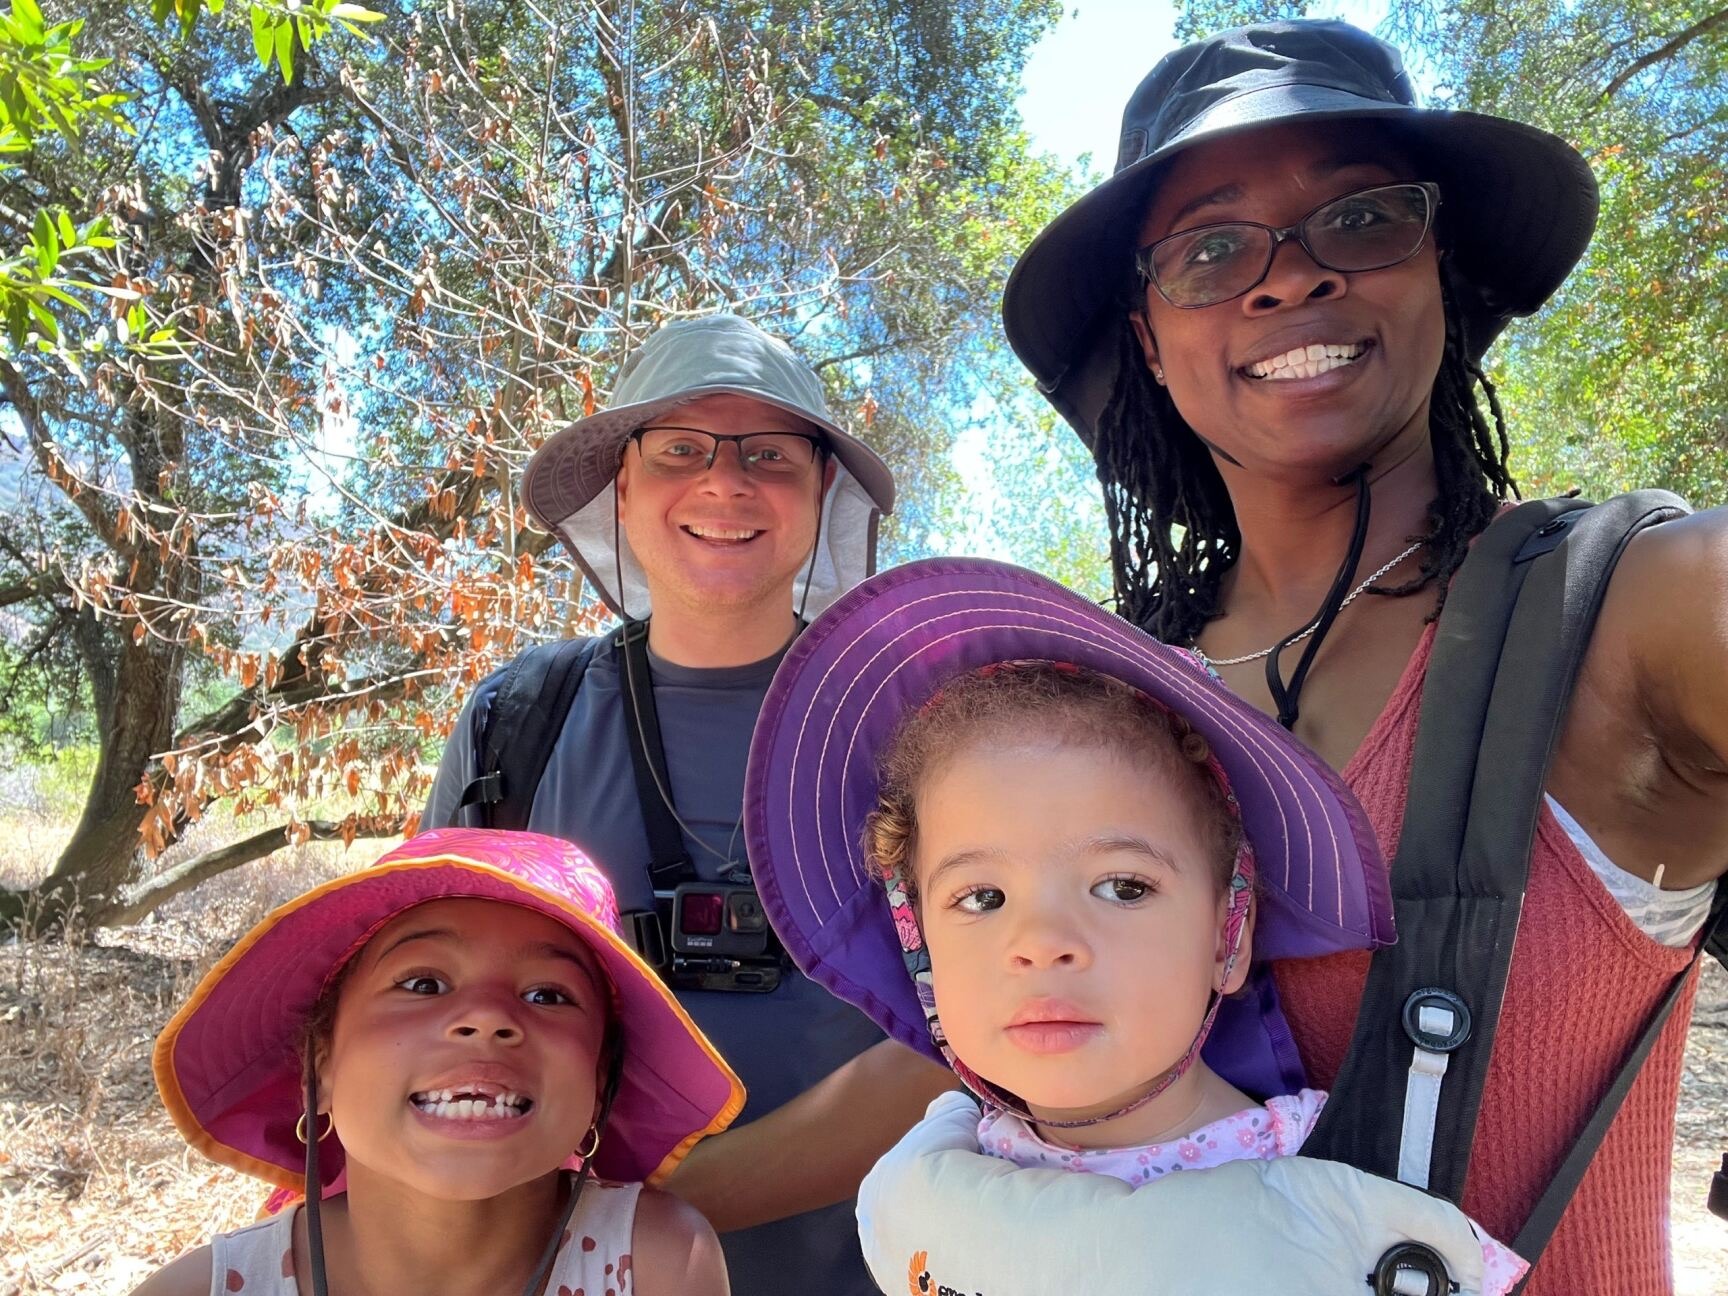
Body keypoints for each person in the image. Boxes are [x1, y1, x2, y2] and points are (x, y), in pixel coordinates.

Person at [849, 19, 1727, 1296]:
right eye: (1211, 250)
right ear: (1149, 336)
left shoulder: (1626, 614)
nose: (1287, 280)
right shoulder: (1118, 706)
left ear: (1442, 268)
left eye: (1362, 220)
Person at [745, 556, 1525, 1294]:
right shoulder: (932, 1168)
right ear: (922, 953)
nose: (1041, 941)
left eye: (1122, 886)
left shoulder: (1339, 1184)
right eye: (982, 899)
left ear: (1230, 934)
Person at [421, 313, 953, 1295]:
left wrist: (642, 1216)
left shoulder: (923, 725)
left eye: (769, 454)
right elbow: (423, 1013)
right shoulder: (515, 720)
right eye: (678, 450)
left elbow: (975, 1035)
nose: (724, 481)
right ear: (621, 488)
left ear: (821, 489)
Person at [135, 828, 740, 1296]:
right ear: (318, 1067)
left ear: (598, 1086)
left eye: (548, 995)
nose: (487, 1017)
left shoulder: (657, 1265)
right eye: (423, 984)